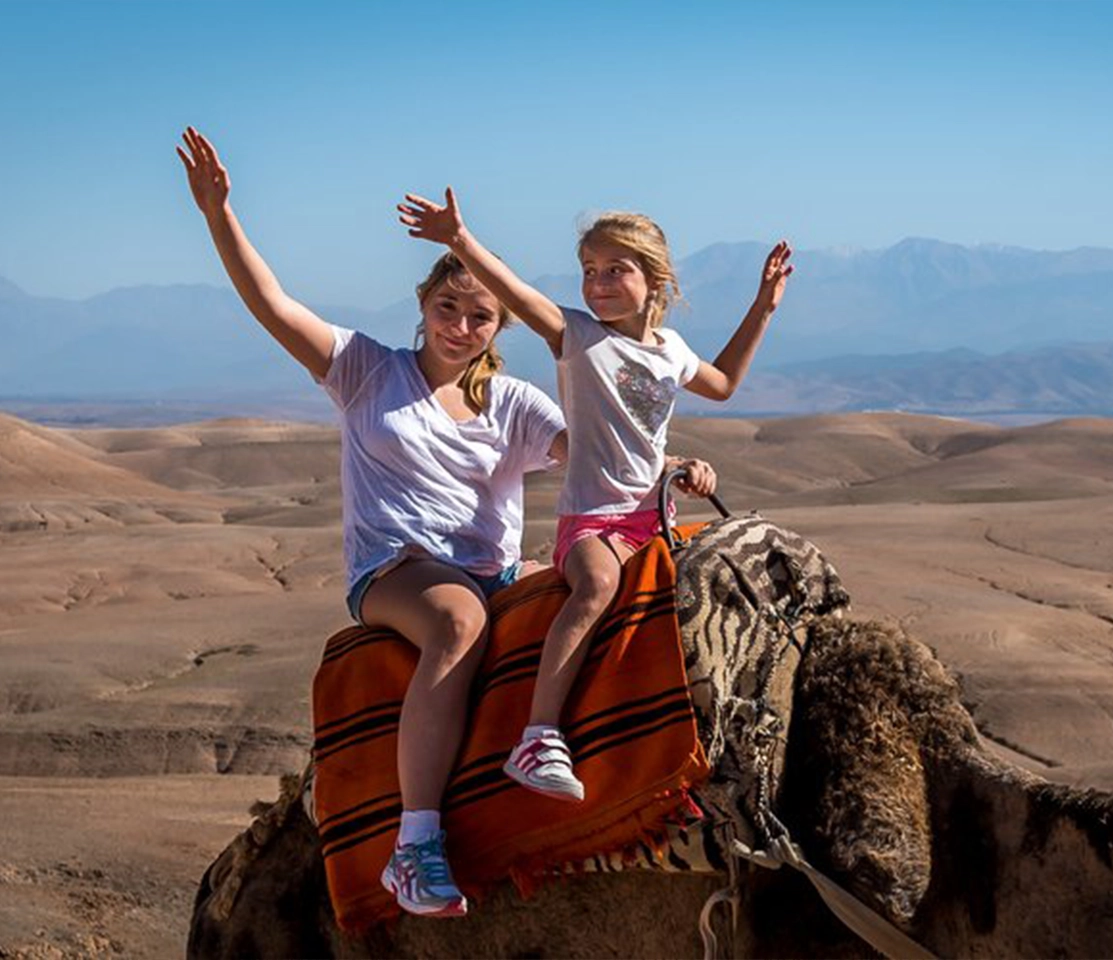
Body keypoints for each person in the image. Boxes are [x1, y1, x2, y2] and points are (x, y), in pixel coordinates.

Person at [177, 128, 568, 919]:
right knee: (458, 621)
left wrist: (669, 469)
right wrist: (220, 216)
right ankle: (414, 844)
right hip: (398, 568)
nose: (461, 325)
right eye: (447, 307)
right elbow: (273, 305)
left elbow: (593, 452)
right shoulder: (365, 370)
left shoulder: (517, 404)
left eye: (481, 316)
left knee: (588, 595)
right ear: (422, 307)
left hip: (495, 566)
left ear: (502, 327)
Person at [398, 186, 792, 802]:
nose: (599, 283)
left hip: (650, 517)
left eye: (616, 270)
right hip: (592, 523)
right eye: (589, 271)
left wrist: (764, 306)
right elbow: (513, 293)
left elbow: (723, 384)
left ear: (654, 279)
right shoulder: (578, 337)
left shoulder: (671, 351)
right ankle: (538, 736)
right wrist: (459, 241)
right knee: (598, 586)